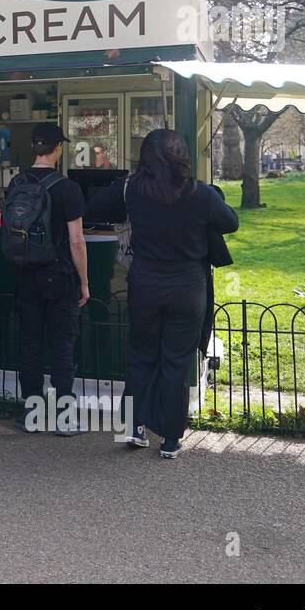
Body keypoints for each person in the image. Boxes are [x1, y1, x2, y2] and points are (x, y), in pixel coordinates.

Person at [84, 128, 238, 459]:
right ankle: (170, 438)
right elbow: (231, 223)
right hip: (187, 286)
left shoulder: (132, 190)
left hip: (145, 284)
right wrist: (215, 196)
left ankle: (134, 427)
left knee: (141, 356)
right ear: (181, 156)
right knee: (177, 361)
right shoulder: (201, 193)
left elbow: (94, 208)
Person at [11, 122, 90, 436]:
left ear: (34, 147)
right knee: (62, 346)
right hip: (59, 277)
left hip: (24, 274)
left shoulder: (17, 183)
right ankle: (65, 417)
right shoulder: (68, 188)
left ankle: (30, 414)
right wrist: (84, 281)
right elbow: (77, 241)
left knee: (29, 344)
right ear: (58, 148)